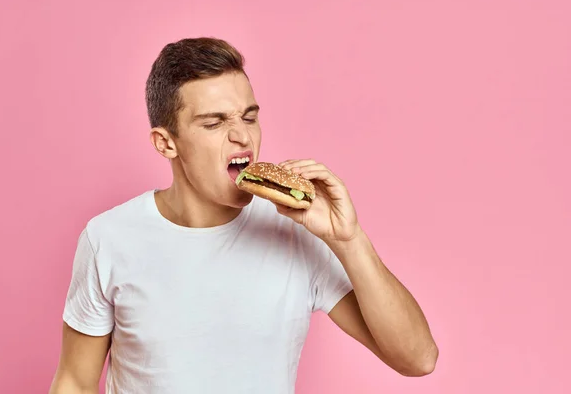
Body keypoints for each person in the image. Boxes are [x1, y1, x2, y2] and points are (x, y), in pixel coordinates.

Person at [49, 37, 438, 394]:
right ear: (166, 142)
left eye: (248, 117)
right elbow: (75, 381)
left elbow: (417, 359)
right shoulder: (110, 238)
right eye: (215, 122)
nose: (242, 137)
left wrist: (348, 240)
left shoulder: (295, 232)